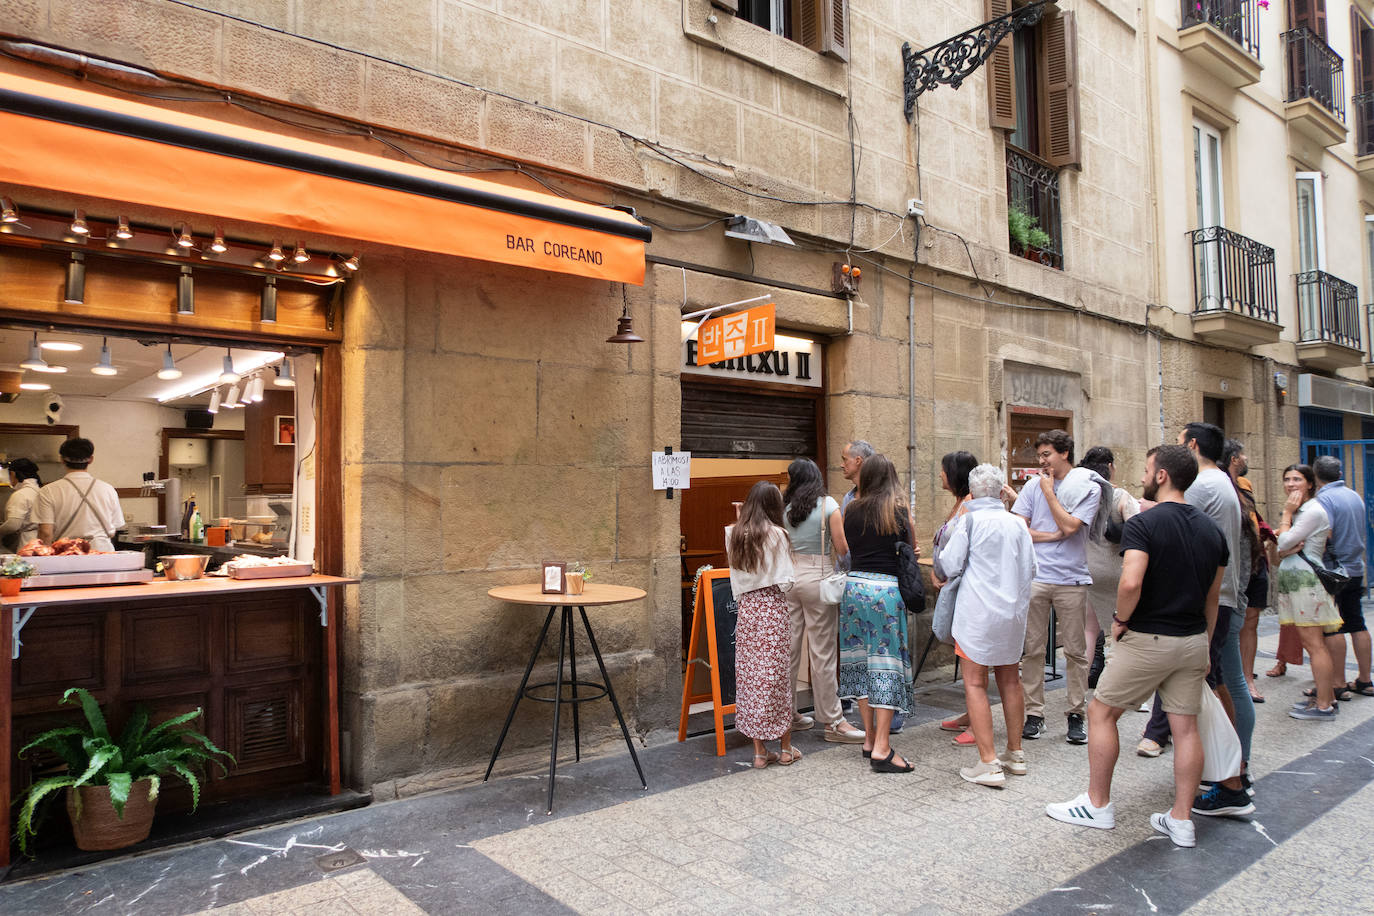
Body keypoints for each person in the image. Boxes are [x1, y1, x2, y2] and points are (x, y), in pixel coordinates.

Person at [1046, 445, 1228, 848]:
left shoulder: (1144, 524)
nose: (1144, 475)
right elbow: (1213, 598)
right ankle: (1181, 818)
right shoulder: (1212, 530)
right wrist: (1205, 639)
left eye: (1147, 468)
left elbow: (1130, 582)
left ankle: (1097, 804)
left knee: (1101, 712)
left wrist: (1121, 620)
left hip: (1149, 637)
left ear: (1162, 475)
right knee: (1185, 727)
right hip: (1194, 638)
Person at [936, 464, 1036, 787]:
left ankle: (988, 761)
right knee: (1010, 682)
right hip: (1012, 613)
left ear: (973, 493)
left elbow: (949, 564)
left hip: (977, 614)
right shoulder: (1017, 524)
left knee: (975, 684)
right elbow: (1032, 567)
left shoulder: (969, 520)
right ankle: (1015, 753)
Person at [1013, 429, 1100, 745]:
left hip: (1072, 579)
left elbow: (1070, 526)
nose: (1041, 462)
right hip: (1036, 576)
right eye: (1039, 455)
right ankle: (1034, 714)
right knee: (1033, 649)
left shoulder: (1087, 487)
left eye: (1047, 454)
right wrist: (1048, 537)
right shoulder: (1034, 485)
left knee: (1076, 651)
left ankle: (1076, 714)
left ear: (1065, 453)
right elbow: (1019, 526)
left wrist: (1049, 493)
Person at [838, 454, 917, 772]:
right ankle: (882, 748)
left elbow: (846, 551)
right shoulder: (897, 510)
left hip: (854, 590)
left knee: (859, 663)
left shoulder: (852, 510)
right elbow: (908, 547)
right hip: (884, 592)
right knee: (886, 666)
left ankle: (869, 738)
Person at [780, 458, 864, 743]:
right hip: (818, 578)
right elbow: (842, 549)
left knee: (788, 650)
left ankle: (787, 714)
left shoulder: (784, 508)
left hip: (788, 579)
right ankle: (832, 721)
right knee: (822, 653)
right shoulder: (828, 505)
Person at [726, 481, 800, 768]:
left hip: (747, 611)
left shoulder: (734, 534)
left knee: (751, 678)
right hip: (771, 608)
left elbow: (740, 571)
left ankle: (758, 753)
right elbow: (786, 581)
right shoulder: (779, 535)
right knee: (777, 677)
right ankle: (785, 749)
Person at [1270, 464, 1342, 720]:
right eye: (1287, 479)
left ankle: (1323, 705)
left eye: (1297, 479)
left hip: (1307, 584)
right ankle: (1326, 698)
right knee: (1314, 644)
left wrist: (1286, 516)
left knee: (1315, 645)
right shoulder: (1304, 511)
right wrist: (1284, 541)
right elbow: (1280, 550)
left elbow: (1285, 542)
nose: (1290, 484)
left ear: (1310, 483)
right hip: (1298, 583)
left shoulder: (1310, 511)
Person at [1078, 447, 1140, 689]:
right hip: (1116, 572)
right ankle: (1125, 689)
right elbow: (1138, 531)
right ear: (1111, 467)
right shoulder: (1121, 496)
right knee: (1122, 632)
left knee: (1089, 631)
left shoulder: (1082, 497)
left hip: (1088, 570)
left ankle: (1079, 688)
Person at [1312, 455, 1372, 699]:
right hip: (1355, 567)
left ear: (1316, 476)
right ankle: (1365, 680)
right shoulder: (1353, 495)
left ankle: (1337, 683)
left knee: (1332, 627)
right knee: (1357, 622)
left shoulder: (1324, 499)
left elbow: (1326, 534)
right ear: (1339, 473)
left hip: (1333, 572)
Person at [932, 451, 979, 748]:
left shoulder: (971, 504)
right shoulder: (960, 502)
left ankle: (977, 723)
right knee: (963, 654)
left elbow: (968, 549)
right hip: (952, 586)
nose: (939, 475)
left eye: (943, 470)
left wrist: (948, 574)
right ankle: (970, 714)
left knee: (972, 657)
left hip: (965, 589)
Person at [1227, 440, 1273, 705]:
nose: (1246, 458)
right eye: (1243, 454)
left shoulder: (1245, 486)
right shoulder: (1219, 486)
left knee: (1251, 621)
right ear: (1234, 459)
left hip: (1256, 562)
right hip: (1236, 565)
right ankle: (1236, 678)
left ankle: (1247, 678)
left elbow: (1254, 518)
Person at [34, 437, 123, 552]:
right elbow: (114, 528)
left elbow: (46, 533)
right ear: (91, 459)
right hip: (103, 552)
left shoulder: (48, 491)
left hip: (66, 552)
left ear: (62, 459)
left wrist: (45, 557)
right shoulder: (108, 489)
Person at [0, 458, 43, 552]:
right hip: (41, 542)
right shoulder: (42, 491)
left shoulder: (21, 495)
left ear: (13, 474)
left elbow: (13, 525)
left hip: (25, 544)